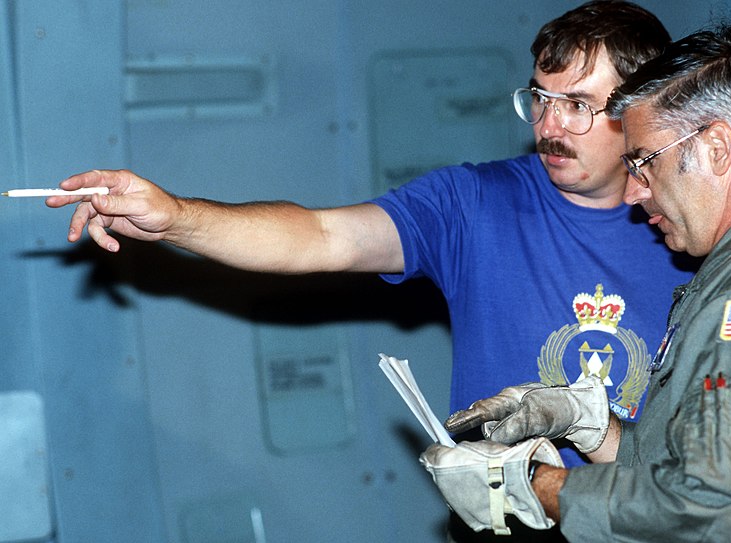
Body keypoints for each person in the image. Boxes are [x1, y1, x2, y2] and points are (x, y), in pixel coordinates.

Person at [48, 2, 693, 539]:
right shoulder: (474, 204)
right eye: (541, 99)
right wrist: (177, 217)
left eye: (578, 105)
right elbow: (322, 236)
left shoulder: (699, 230)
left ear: (644, 108)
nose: (550, 126)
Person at [424, 21, 731, 541]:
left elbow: (710, 510)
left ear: (716, 148)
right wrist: (594, 425)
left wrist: (530, 486)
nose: (632, 194)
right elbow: (691, 465)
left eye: (644, 163)